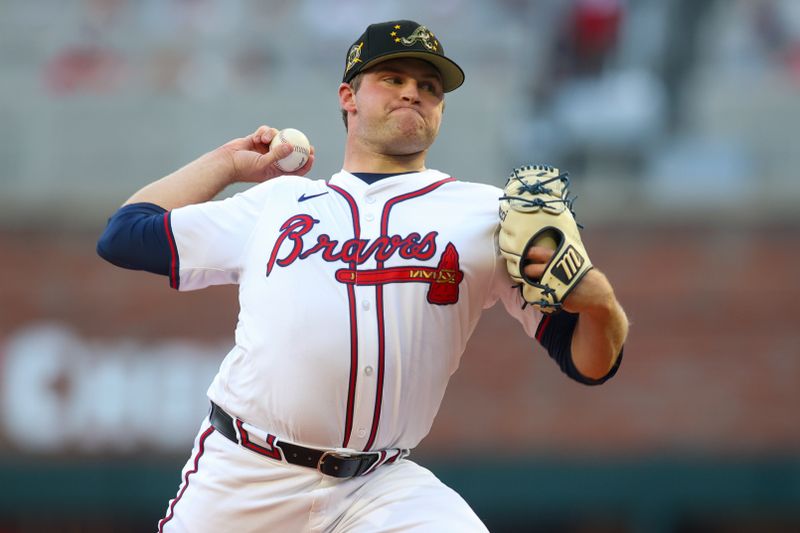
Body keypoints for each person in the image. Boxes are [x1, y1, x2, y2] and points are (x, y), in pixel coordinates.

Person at [97, 19, 628, 533]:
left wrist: (601, 304)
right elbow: (124, 235)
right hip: (246, 476)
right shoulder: (280, 203)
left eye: (428, 86)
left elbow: (588, 363)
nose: (413, 93)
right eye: (392, 80)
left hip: (379, 484)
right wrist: (229, 164)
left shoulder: (487, 215)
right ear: (348, 97)